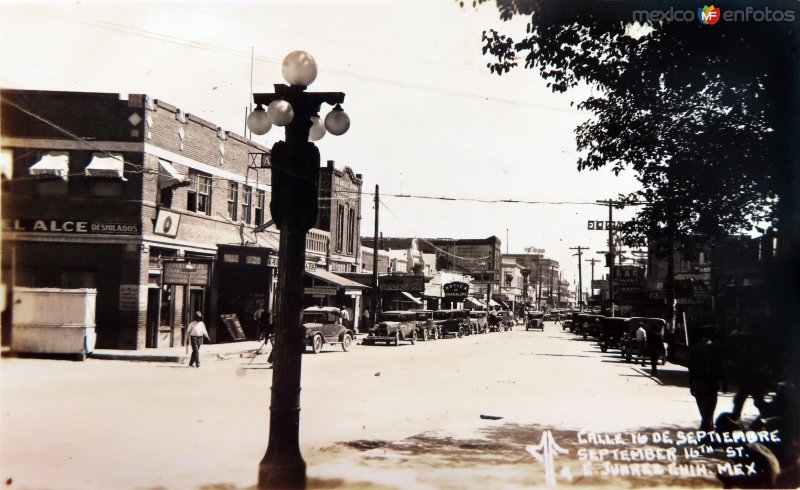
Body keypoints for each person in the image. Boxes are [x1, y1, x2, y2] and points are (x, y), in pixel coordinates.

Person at [688, 326, 723, 431]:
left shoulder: (694, 348)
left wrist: (691, 384)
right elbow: (720, 367)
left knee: (704, 413)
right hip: (710, 383)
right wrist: (722, 383)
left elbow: (691, 368)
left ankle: (707, 435)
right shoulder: (715, 348)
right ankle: (706, 437)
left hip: (698, 383)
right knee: (709, 414)